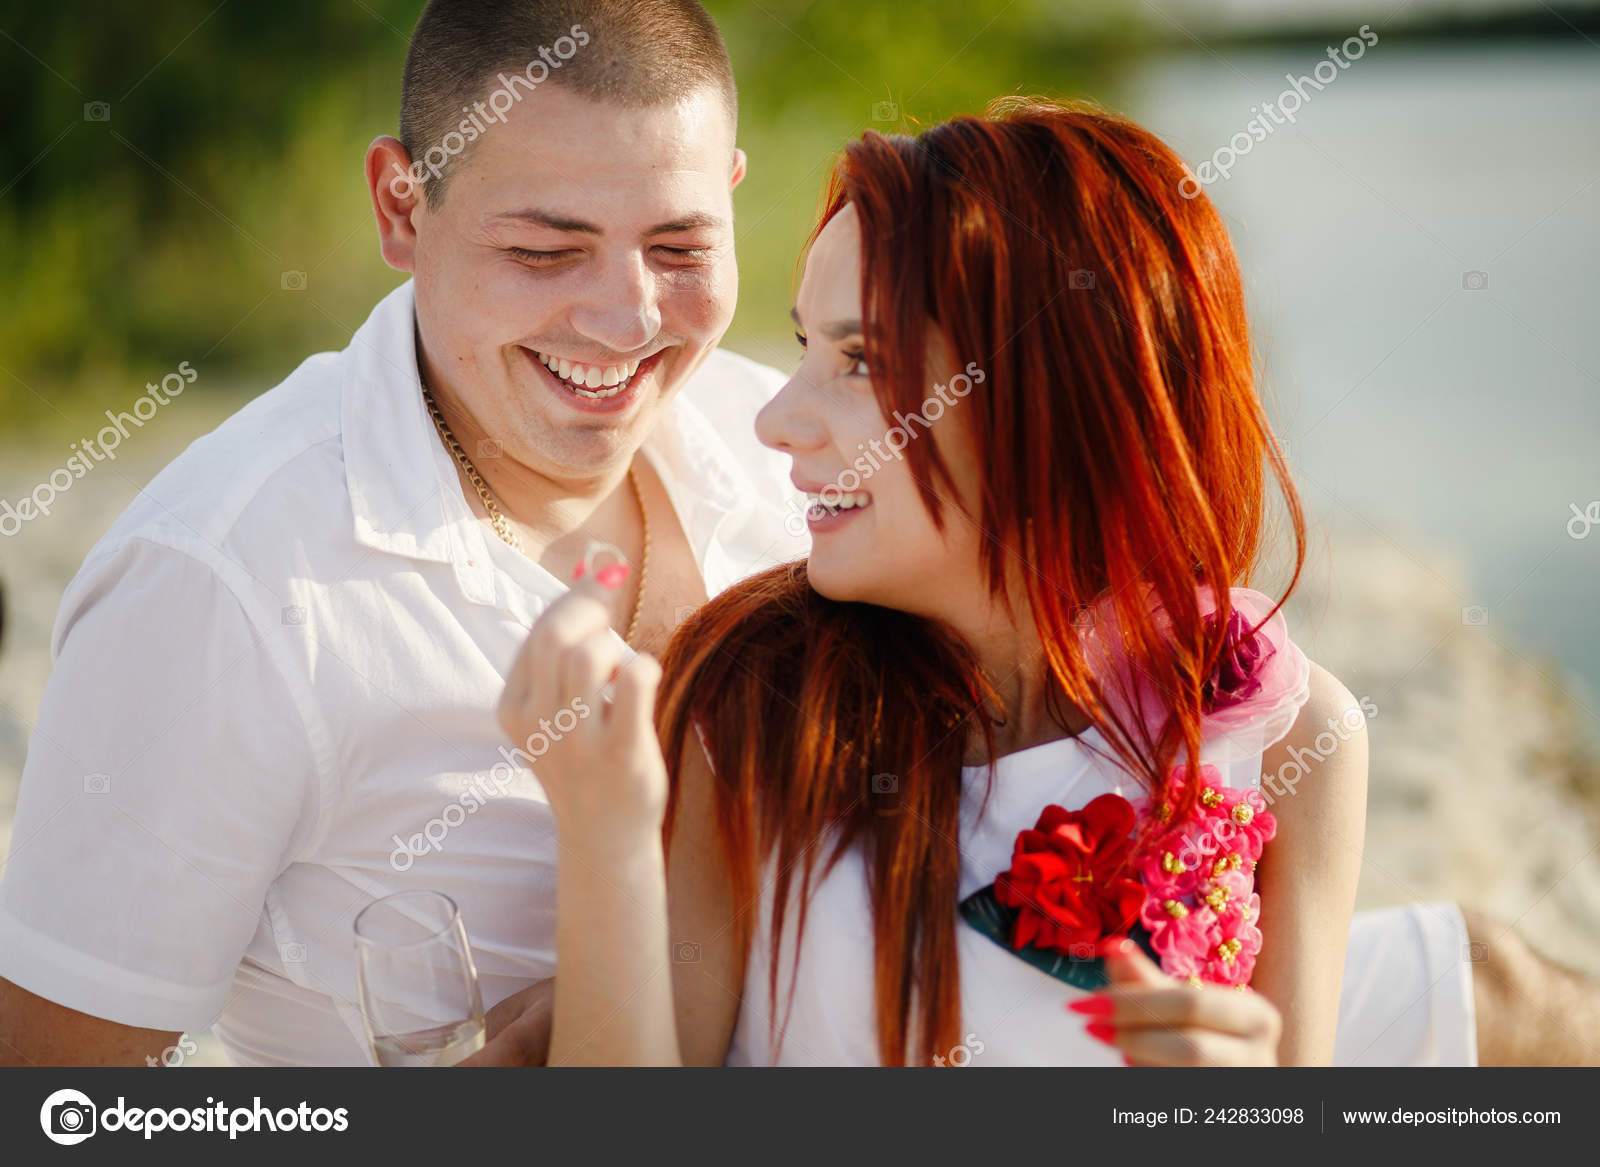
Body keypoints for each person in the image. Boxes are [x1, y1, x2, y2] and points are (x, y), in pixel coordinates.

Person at [498, 97, 1589, 1067]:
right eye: (802, 351)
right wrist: (605, 834)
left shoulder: (1293, 742)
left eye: (861, 362)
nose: (776, 423)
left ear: (1051, 401)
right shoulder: (750, 704)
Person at [0, 0, 804, 1066]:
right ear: (400, 206)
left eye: (679, 244)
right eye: (543, 250)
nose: (627, 319)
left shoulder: (796, 454)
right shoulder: (219, 582)